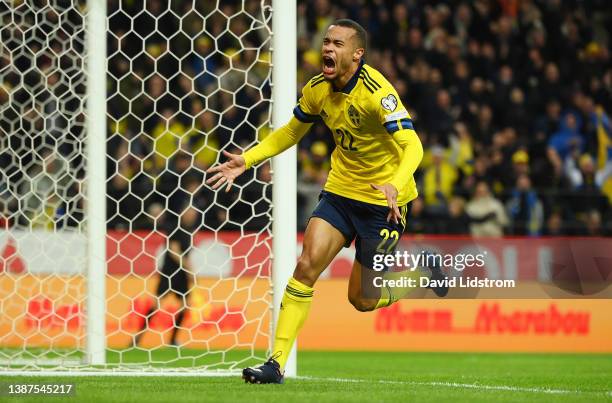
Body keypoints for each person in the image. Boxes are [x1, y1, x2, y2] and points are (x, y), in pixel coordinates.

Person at [206, 19, 433, 384]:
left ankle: (424, 276)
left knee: (361, 300)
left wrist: (394, 181)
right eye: (326, 41)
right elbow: (292, 131)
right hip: (341, 192)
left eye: (338, 43)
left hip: (384, 203)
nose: (328, 48)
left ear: (357, 54)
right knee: (307, 264)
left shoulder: (377, 92)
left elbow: (414, 145)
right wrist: (247, 160)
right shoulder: (317, 89)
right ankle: (275, 364)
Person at [133, 205, 199, 347]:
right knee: (156, 304)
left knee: (185, 306)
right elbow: (173, 251)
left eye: (194, 213)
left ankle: (172, 340)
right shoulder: (175, 227)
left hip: (181, 274)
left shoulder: (189, 230)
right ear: (182, 213)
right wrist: (189, 269)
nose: (192, 216)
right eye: (189, 212)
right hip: (169, 273)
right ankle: (137, 338)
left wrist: (187, 271)